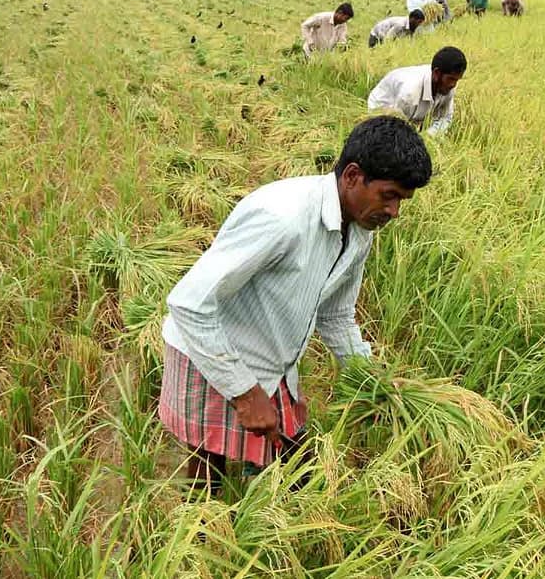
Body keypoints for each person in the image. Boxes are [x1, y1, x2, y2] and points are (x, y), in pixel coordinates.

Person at [159, 116, 433, 496]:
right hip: (209, 352)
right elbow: (190, 304)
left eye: (402, 201)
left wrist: (371, 378)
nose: (394, 212)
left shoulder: (359, 231)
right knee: (209, 471)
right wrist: (244, 393)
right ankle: (201, 536)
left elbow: (336, 314)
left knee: (296, 461)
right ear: (353, 176)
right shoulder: (282, 218)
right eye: (388, 196)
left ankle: (280, 514)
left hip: (272, 359)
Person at [367, 46, 466, 137]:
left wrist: (427, 137)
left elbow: (445, 118)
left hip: (412, 114)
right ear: (436, 73)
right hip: (383, 111)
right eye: (451, 79)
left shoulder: (447, 86)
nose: (454, 85)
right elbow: (396, 129)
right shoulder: (410, 93)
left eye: (457, 80)